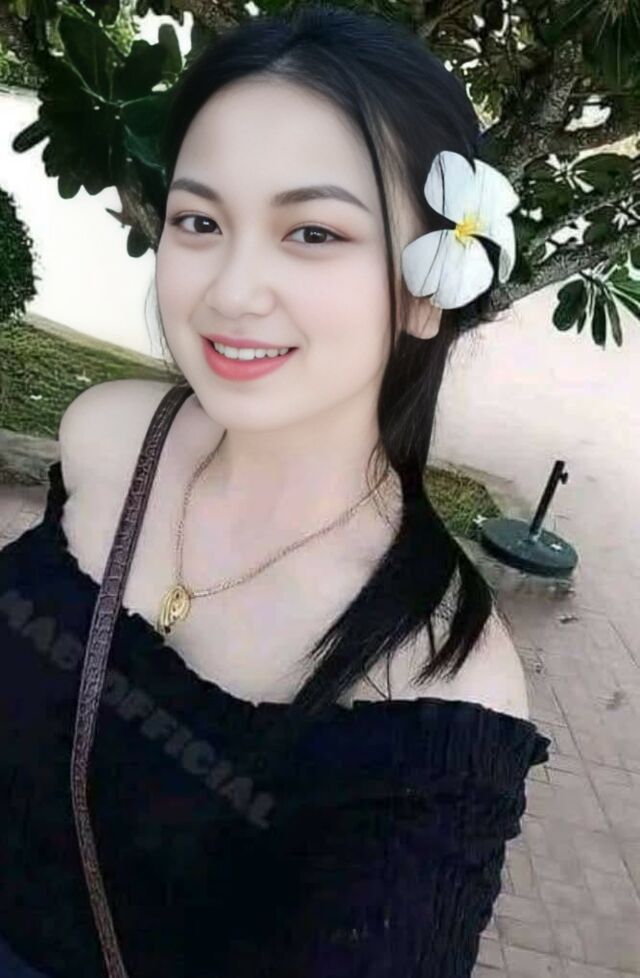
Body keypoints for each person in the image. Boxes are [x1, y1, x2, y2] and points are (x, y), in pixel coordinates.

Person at [0, 5, 551, 977]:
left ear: (427, 289)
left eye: (312, 231)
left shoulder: (438, 685)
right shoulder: (108, 437)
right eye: (200, 221)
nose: (230, 289)